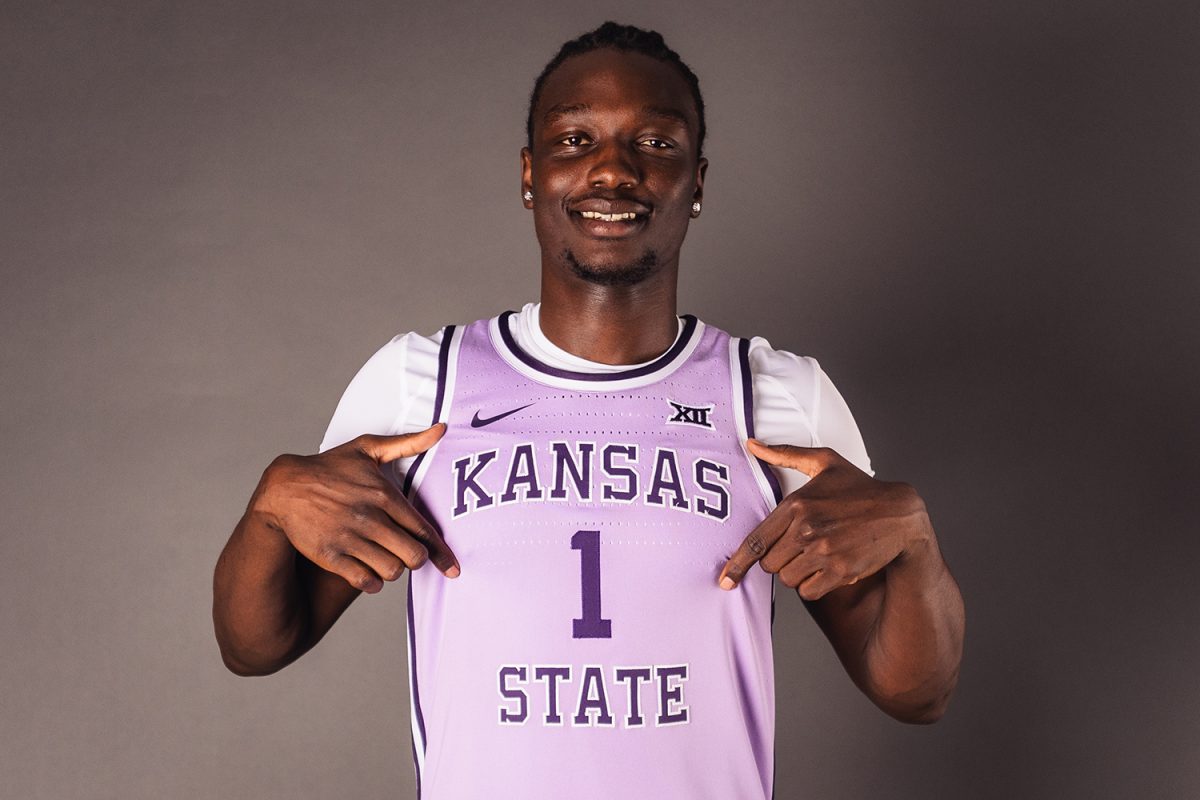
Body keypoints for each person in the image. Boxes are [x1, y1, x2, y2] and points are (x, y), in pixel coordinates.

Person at [212, 21, 964, 800]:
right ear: (530, 174)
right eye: (576, 139)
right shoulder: (421, 382)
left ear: (697, 182)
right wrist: (270, 508)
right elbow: (259, 643)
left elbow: (915, 691)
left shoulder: (772, 395)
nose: (613, 170)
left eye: (656, 144)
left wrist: (914, 538)